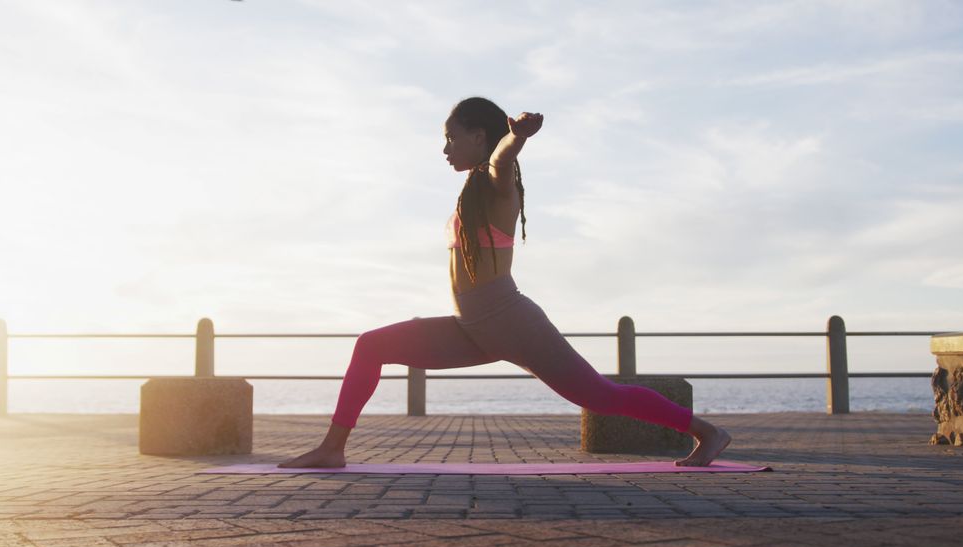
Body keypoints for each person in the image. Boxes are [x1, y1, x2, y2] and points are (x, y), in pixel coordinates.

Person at [279, 96, 731, 468]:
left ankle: (708, 433)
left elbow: (501, 158)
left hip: (510, 321)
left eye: (451, 138)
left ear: (479, 138)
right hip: (469, 329)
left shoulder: (500, 184)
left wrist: (515, 136)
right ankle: (332, 449)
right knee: (371, 345)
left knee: (600, 395)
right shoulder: (471, 192)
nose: (445, 149)